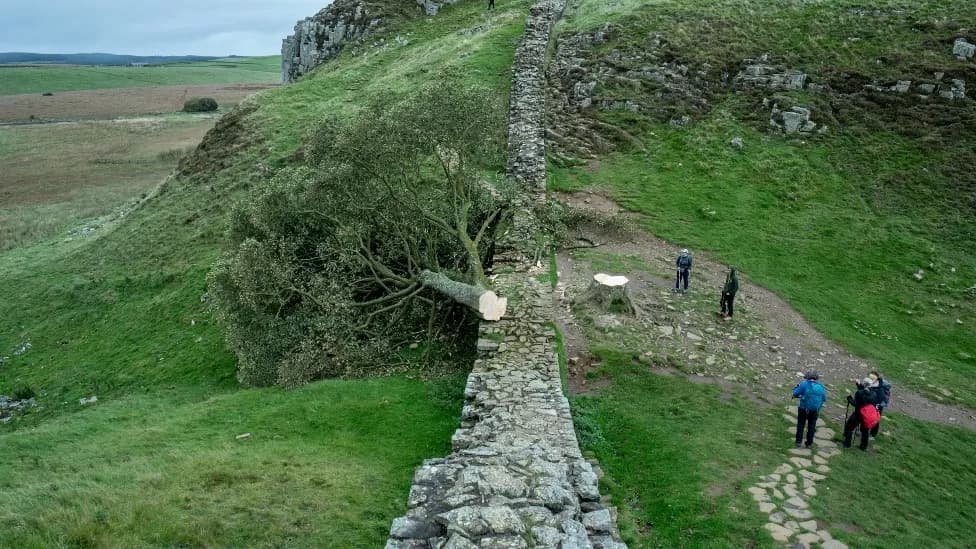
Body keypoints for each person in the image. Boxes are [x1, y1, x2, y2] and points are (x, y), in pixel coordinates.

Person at [792, 370, 827, 448]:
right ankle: (809, 444)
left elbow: (795, 393)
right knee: (812, 426)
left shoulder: (804, 384)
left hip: (803, 408)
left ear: (807, 377)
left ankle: (798, 442)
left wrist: (796, 387)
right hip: (815, 410)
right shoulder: (820, 387)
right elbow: (824, 398)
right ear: (816, 378)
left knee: (801, 424)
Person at [843, 377, 879, 451]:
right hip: (867, 416)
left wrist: (849, 399)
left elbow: (855, 403)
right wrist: (858, 385)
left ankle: (847, 444)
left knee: (849, 427)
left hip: (858, 414)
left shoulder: (859, 393)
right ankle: (863, 447)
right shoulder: (874, 394)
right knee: (865, 431)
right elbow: (866, 392)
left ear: (864, 384)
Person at [868, 370, 891, 438]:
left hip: (879, 404)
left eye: (872, 378)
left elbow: (882, 397)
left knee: (875, 418)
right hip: (871, 402)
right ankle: (865, 430)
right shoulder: (871, 382)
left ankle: (873, 434)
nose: (871, 380)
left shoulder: (882, 385)